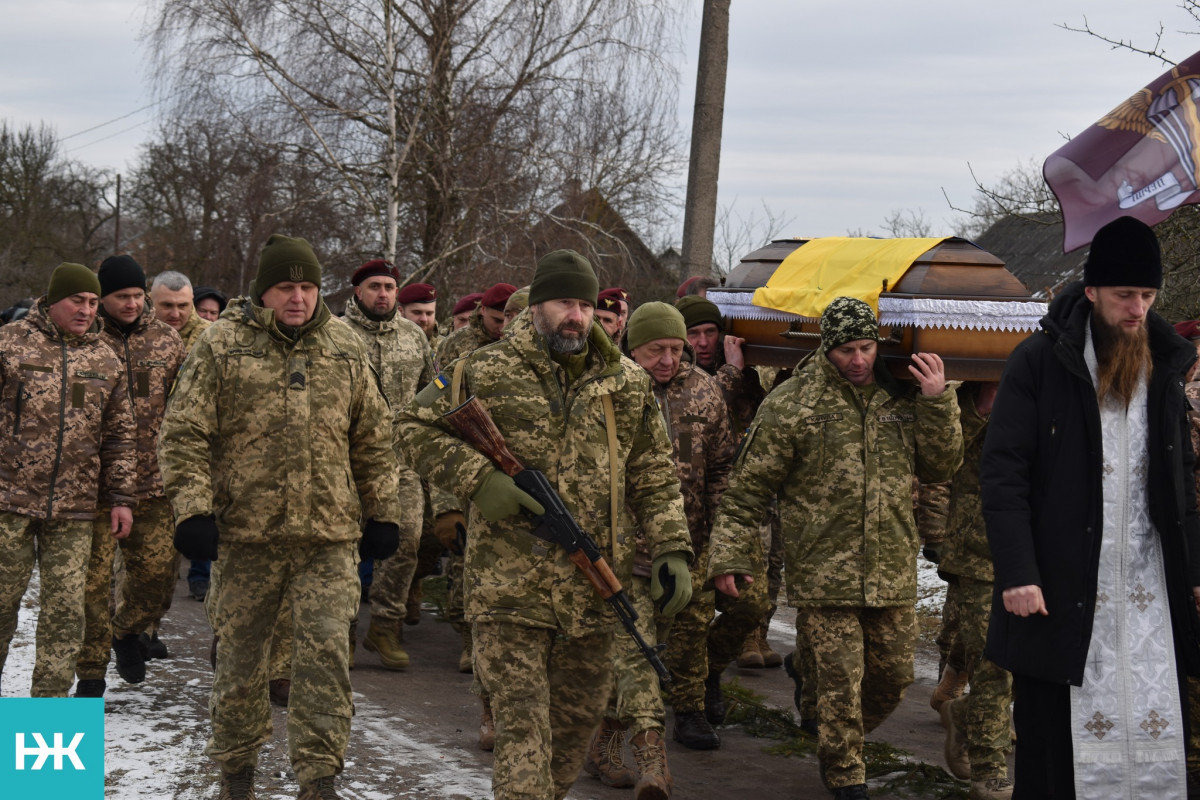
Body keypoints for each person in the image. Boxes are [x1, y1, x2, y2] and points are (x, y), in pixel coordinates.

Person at [398, 249, 694, 800]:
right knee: (523, 739)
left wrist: (673, 547)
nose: (576, 316)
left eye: (585, 303)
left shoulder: (625, 383)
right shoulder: (481, 369)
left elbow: (653, 474)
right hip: (508, 591)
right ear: (536, 307)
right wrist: (479, 480)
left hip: (594, 592)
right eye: (564, 302)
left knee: (569, 739)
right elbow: (411, 427)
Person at [158, 234, 402, 800]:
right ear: (263, 291)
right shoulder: (223, 345)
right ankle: (236, 774)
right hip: (246, 539)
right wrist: (193, 509)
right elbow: (185, 433)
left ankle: (319, 781)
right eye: (285, 287)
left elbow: (372, 438)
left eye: (308, 287)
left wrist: (383, 512)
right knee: (241, 665)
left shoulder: (344, 346)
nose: (297, 298)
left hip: (328, 539)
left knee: (324, 665)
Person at [708, 296, 963, 800]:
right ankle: (845, 772)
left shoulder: (904, 397)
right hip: (823, 574)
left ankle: (816, 693)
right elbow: (746, 491)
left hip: (890, 569)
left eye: (866, 347)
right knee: (841, 685)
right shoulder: (794, 404)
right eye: (845, 349)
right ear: (827, 349)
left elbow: (941, 467)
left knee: (893, 677)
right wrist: (731, 556)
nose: (858, 359)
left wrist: (937, 400)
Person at [981, 215, 1200, 800]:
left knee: (1157, 736)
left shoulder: (1165, 364)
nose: (1137, 309)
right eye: (1125, 295)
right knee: (1056, 751)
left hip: (1147, 593)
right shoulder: (1038, 360)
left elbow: (1181, 480)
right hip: (1059, 586)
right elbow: (1004, 476)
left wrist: (1194, 572)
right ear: (1094, 289)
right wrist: (1019, 573)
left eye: (1148, 296)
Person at [0, 263, 136, 697]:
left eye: (94, 302)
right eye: (77, 300)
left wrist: (121, 497)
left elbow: (119, 436)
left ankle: (48, 729)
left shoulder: (105, 359)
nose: (86, 309)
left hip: (75, 510)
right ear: (53, 299)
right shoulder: (9, 344)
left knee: (65, 616)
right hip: (9, 502)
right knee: (2, 607)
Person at [75, 255, 186, 697]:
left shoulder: (167, 341)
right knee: (92, 586)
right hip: (93, 487)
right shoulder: (84, 339)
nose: (133, 304)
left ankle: (126, 631)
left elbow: (187, 406)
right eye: (123, 296)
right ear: (102, 297)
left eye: (139, 296)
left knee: (156, 576)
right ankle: (90, 673)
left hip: (153, 483)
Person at [343, 259, 435, 671]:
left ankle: (385, 624)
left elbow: (432, 391)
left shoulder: (414, 336)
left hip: (402, 462)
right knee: (345, 546)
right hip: (348, 461)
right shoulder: (336, 334)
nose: (383, 294)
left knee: (408, 539)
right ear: (358, 291)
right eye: (375, 286)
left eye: (390, 287)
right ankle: (342, 629)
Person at [932, 382, 1013, 800]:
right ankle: (989, 768)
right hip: (981, 552)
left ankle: (963, 716)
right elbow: (944, 462)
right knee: (992, 663)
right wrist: (982, 404)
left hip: (1046, 552)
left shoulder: (1060, 387)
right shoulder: (966, 401)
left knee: (1028, 663)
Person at [436, 282, 516, 366]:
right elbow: (439, 378)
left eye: (510, 320)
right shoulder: (455, 342)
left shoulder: (521, 341)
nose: (502, 328)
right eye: (497, 320)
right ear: (483, 310)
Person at [150, 270, 209, 350]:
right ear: (151, 300)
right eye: (167, 305)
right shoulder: (134, 334)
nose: (175, 314)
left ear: (191, 301)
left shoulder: (212, 335)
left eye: (182, 305)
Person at [398, 282, 439, 347]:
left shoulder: (445, 347)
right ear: (401, 311)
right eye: (417, 312)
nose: (424, 319)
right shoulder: (387, 345)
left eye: (429, 313)